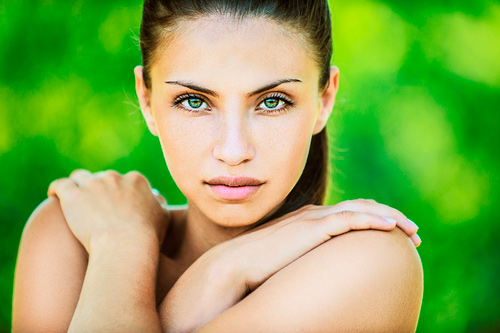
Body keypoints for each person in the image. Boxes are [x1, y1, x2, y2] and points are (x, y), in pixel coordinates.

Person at [12, 0, 423, 331]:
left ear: (324, 100)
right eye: (194, 101)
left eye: (272, 102)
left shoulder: (369, 261)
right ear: (146, 99)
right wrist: (123, 243)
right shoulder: (72, 235)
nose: (233, 150)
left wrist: (211, 271)